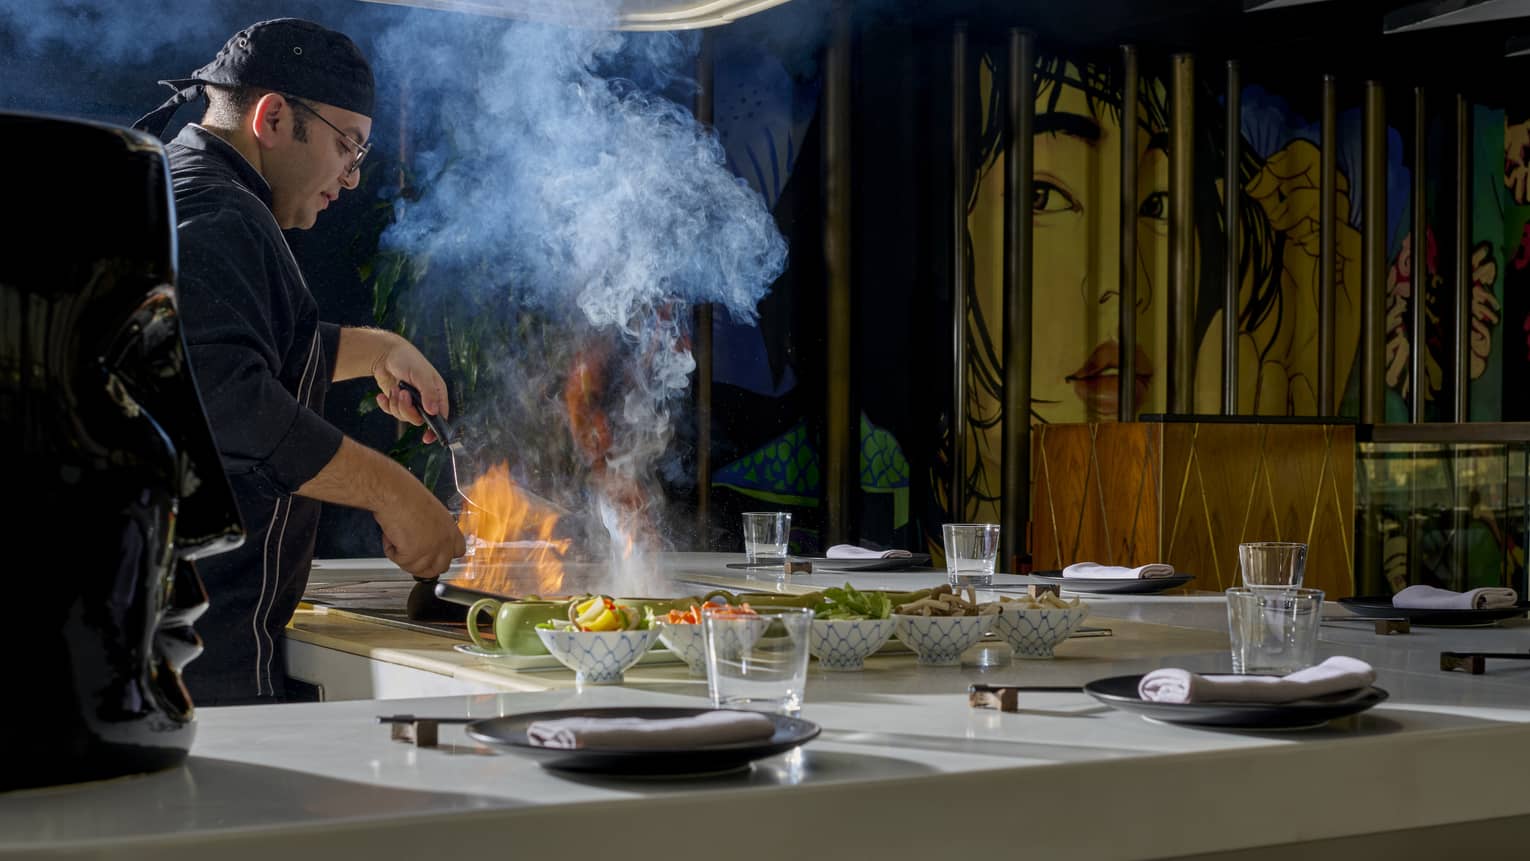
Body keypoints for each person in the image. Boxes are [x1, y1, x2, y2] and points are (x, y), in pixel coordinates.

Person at [133, 18, 465, 705]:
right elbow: (225, 400)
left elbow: (228, 343)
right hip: (190, 651)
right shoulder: (221, 213)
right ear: (275, 116)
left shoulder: (179, 186)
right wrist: (393, 491)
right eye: (347, 146)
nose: (349, 176)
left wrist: (380, 349)